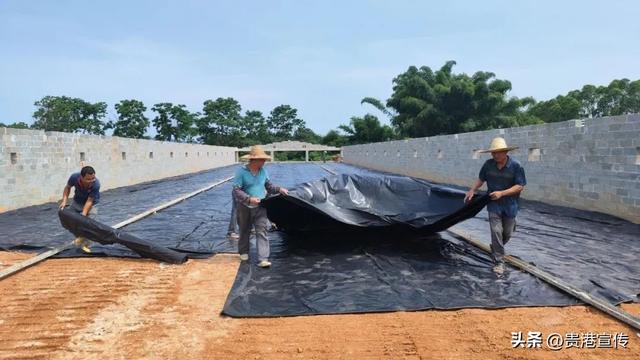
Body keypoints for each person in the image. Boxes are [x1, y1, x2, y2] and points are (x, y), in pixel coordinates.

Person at [464, 137, 526, 276]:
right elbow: (481, 179)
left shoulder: (516, 166)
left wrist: (502, 193)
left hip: (510, 205)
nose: (495, 155)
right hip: (493, 204)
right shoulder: (488, 165)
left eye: (498, 152)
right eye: (493, 153)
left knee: (507, 233)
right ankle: (499, 261)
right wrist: (472, 190)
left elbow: (520, 186)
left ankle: (496, 246)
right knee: (496, 230)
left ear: (505, 152)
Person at [232, 145, 288, 268]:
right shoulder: (241, 172)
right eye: (262, 159)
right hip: (244, 207)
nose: (264, 162)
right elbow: (236, 190)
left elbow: (269, 186)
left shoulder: (263, 171)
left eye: (264, 159)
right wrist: (248, 199)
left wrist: (279, 189)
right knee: (244, 230)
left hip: (261, 206)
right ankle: (244, 251)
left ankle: (263, 258)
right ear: (253, 160)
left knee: (262, 231)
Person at [59, 166, 101, 253]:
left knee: (89, 225)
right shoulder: (74, 177)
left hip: (92, 204)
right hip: (77, 202)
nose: (91, 181)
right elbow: (67, 187)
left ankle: (86, 245)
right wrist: (64, 201)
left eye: (93, 178)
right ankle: (80, 238)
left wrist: (83, 215)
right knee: (72, 221)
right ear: (81, 177)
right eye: (88, 179)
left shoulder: (96, 184)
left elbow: (89, 201)